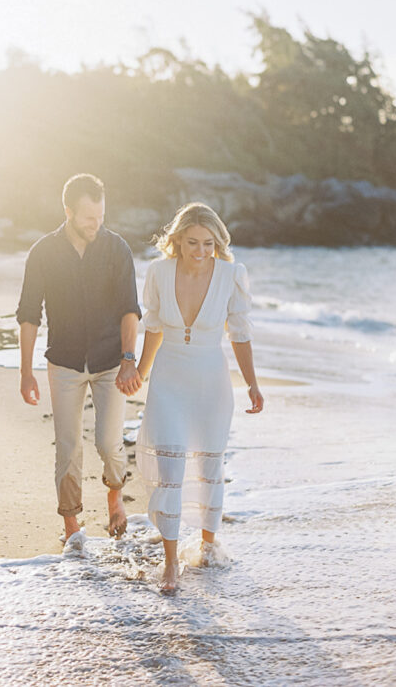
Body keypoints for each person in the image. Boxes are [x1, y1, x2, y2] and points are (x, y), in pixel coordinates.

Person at [135, 202, 264, 593]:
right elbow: (154, 328)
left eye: (209, 243)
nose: (201, 251)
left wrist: (253, 384)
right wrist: (140, 371)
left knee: (210, 468)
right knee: (171, 470)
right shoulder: (158, 272)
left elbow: (239, 334)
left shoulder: (231, 275)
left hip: (211, 383)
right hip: (168, 380)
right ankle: (171, 563)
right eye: (192, 243)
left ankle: (207, 549)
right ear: (176, 241)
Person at [16, 173, 143, 542]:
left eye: (101, 216)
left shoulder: (116, 248)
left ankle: (115, 496)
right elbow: (28, 314)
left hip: (110, 362)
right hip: (65, 362)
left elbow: (129, 309)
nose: (96, 224)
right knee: (68, 448)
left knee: (108, 442)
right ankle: (72, 526)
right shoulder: (43, 252)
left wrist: (129, 359)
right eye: (89, 217)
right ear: (68, 211)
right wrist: (27, 373)